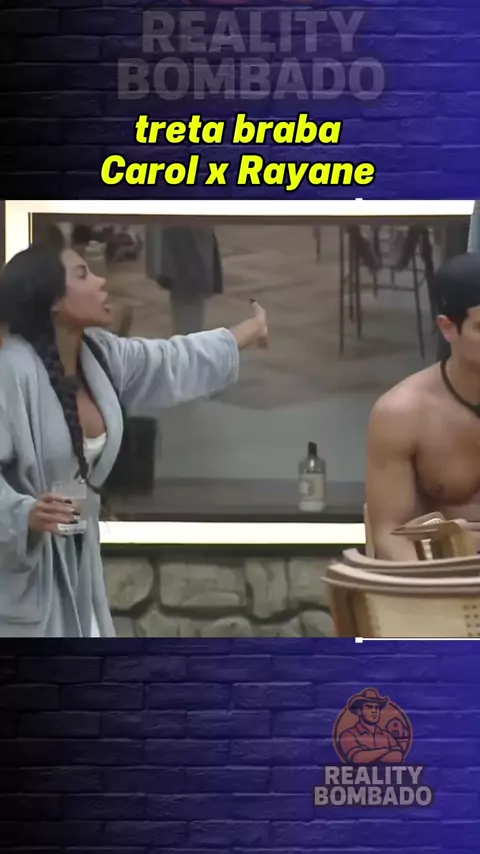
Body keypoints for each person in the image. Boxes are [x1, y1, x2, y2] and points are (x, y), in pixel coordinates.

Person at [0, 241, 268, 637]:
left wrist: (248, 331)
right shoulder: (11, 372)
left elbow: (173, 360)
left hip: (80, 571)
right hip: (21, 585)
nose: (101, 281)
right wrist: (24, 514)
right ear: (53, 300)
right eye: (83, 275)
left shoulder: (101, 355)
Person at [366, 252, 480, 560]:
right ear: (448, 328)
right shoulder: (402, 414)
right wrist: (437, 582)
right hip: (438, 573)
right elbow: (389, 533)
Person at [338, 688, 404, 765]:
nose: (374, 711)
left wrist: (369, 755)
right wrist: (386, 750)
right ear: (359, 711)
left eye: (377, 708)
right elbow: (357, 758)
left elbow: (398, 757)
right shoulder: (348, 735)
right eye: (369, 707)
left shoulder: (387, 735)